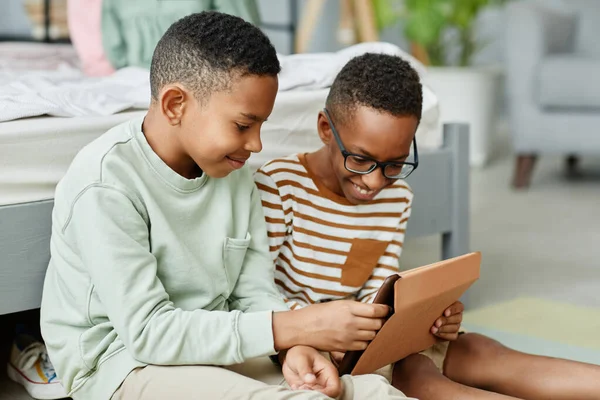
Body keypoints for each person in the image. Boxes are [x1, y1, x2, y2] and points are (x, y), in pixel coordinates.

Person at [39, 12, 415, 400]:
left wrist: (294, 349)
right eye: (242, 125)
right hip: (123, 363)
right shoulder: (106, 183)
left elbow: (254, 292)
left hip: (217, 347)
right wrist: (295, 328)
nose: (256, 145)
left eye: (262, 126)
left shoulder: (236, 176)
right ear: (175, 104)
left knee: (373, 391)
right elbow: (148, 333)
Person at [254, 52, 600, 400]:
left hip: (374, 340)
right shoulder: (279, 185)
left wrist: (428, 315)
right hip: (311, 346)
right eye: (360, 160)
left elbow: (384, 289)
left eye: (395, 164)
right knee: (422, 380)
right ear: (326, 129)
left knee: (481, 351)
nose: (375, 182)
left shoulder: (397, 197)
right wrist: (323, 328)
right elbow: (254, 289)